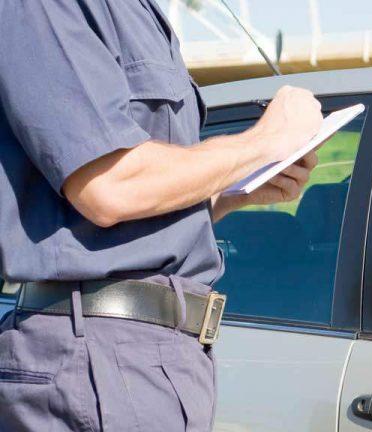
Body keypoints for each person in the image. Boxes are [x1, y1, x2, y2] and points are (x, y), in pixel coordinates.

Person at [0, 1, 323, 430]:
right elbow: (108, 187)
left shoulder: (142, 13)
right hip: (98, 355)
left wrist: (232, 190)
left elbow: (134, 218)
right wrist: (265, 142)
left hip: (154, 357)